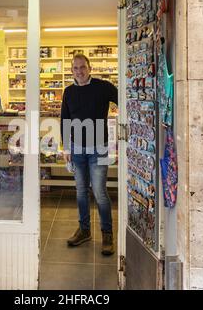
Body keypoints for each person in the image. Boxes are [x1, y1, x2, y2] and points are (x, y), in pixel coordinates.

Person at [60, 54, 118, 255]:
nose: (79, 71)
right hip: (76, 149)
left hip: (99, 147)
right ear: (71, 71)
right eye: (75, 68)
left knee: (100, 192)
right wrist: (66, 148)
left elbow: (124, 100)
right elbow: (65, 120)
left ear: (90, 68)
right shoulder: (68, 92)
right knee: (81, 191)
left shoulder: (103, 87)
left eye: (82, 67)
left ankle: (107, 234)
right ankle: (84, 230)